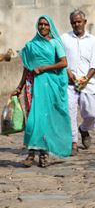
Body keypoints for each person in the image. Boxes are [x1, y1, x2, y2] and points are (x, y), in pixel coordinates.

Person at [12, 15, 72, 167]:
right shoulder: (31, 45)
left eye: (46, 24)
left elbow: (63, 63)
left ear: (50, 26)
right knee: (33, 120)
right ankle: (31, 154)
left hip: (50, 84)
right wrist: (20, 87)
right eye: (40, 24)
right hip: (32, 85)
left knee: (44, 119)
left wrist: (45, 68)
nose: (43, 27)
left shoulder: (55, 43)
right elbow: (27, 67)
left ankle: (44, 155)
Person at [61, 10, 95, 154]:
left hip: (87, 84)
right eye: (73, 22)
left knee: (91, 114)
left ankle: (84, 129)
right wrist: (68, 72)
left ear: (84, 22)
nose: (76, 24)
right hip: (69, 84)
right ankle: (73, 143)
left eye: (79, 21)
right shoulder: (64, 38)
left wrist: (86, 78)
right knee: (70, 113)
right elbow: (60, 58)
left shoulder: (93, 40)